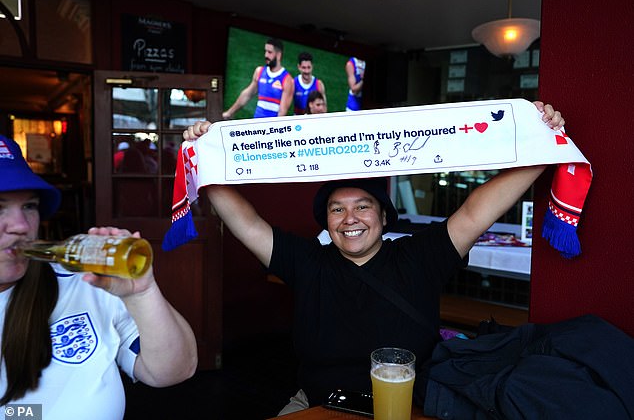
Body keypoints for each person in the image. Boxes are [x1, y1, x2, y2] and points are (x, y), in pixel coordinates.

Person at [182, 101, 564, 413]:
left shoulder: (420, 256)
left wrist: (542, 145)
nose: (350, 219)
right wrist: (205, 157)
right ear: (327, 222)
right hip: (318, 404)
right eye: (336, 210)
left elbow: (476, 211)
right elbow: (245, 222)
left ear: (383, 217)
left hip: (413, 407)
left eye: (363, 207)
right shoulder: (307, 261)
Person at [0, 134, 197, 418]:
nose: (21, 225)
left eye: (29, 206)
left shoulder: (84, 283)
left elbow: (174, 370)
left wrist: (142, 293)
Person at [222, 38, 294, 119]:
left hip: (272, 128)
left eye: (269, 52)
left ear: (279, 55)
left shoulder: (287, 80)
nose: (266, 55)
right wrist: (229, 112)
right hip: (256, 125)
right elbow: (247, 95)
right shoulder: (259, 71)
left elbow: (282, 112)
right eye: (265, 51)